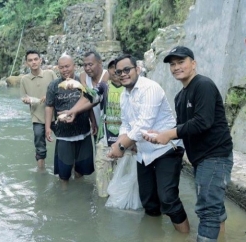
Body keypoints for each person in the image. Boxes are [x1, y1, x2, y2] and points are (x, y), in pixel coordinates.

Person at [144, 46, 233, 241]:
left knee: (207, 209)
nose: (176, 67)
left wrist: (169, 133)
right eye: (172, 64)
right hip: (201, 158)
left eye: (181, 62)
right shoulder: (180, 96)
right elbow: (184, 127)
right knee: (213, 205)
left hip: (215, 155)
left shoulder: (203, 85)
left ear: (193, 63)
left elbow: (203, 121)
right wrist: (161, 134)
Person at [107, 54, 190, 233]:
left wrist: (121, 147)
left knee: (168, 198)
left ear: (137, 69)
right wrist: (119, 144)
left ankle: (185, 236)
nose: (123, 74)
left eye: (126, 70)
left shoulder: (150, 88)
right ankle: (154, 236)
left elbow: (143, 124)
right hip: (143, 153)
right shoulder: (125, 95)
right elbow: (126, 124)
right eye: (119, 71)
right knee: (149, 202)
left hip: (166, 149)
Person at [59, 59, 124, 197]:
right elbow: (89, 96)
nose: (116, 72)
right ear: (109, 70)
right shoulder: (104, 87)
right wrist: (73, 111)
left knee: (122, 182)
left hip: (127, 142)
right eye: (113, 68)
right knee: (102, 183)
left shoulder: (132, 87)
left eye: (120, 69)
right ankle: (103, 212)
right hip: (104, 140)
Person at [45, 54, 95, 185]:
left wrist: (93, 122)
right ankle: (64, 196)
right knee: (64, 173)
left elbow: (90, 102)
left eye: (67, 66)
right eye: (61, 67)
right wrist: (47, 128)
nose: (64, 70)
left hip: (83, 131)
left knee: (81, 170)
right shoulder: (54, 86)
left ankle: (79, 196)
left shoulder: (82, 82)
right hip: (63, 134)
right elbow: (49, 107)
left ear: (74, 66)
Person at [20, 50, 57, 169]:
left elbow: (60, 90)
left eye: (36, 59)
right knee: (39, 146)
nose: (33, 62)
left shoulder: (50, 74)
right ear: (26, 63)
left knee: (64, 141)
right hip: (37, 117)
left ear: (40, 60)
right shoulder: (24, 80)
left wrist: (49, 95)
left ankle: (68, 166)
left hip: (55, 116)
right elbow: (24, 97)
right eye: (30, 60)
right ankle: (41, 172)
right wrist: (26, 100)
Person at [80, 51, 109, 131]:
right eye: (85, 65)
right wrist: (93, 121)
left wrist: (73, 112)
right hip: (97, 123)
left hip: (110, 124)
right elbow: (86, 99)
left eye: (90, 64)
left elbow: (95, 99)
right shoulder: (83, 76)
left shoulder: (107, 75)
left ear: (100, 63)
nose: (87, 68)